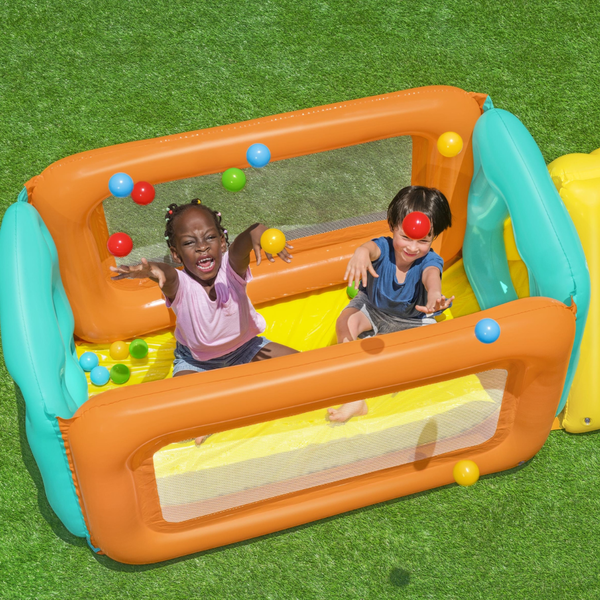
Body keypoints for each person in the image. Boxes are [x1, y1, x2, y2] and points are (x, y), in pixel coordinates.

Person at [110, 198, 298, 442]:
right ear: (176, 254)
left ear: (222, 242)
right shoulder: (180, 284)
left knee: (306, 370)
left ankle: (220, 403)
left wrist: (257, 231)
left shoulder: (231, 269)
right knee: (178, 411)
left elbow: (242, 245)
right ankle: (212, 412)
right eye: (189, 242)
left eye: (210, 238)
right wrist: (152, 271)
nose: (202, 247)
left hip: (247, 350)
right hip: (197, 364)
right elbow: (167, 274)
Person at [328, 186, 454, 423]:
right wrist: (360, 252)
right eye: (405, 237)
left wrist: (434, 297)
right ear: (393, 226)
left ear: (433, 237)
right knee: (345, 322)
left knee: (427, 350)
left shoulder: (430, 260)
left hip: (412, 320)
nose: (412, 247)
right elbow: (370, 249)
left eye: (423, 240)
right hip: (373, 308)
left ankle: (380, 372)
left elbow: (431, 277)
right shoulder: (384, 247)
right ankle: (354, 393)